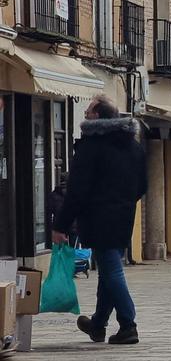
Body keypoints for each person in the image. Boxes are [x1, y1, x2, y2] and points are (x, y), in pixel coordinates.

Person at [52, 95, 147, 346]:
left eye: (88, 111)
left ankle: (128, 324)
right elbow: (142, 186)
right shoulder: (133, 146)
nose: (84, 114)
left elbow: (77, 190)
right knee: (107, 270)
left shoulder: (91, 147)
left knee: (111, 270)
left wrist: (61, 225)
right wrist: (123, 202)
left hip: (98, 217)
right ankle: (98, 324)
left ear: (97, 116)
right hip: (124, 216)